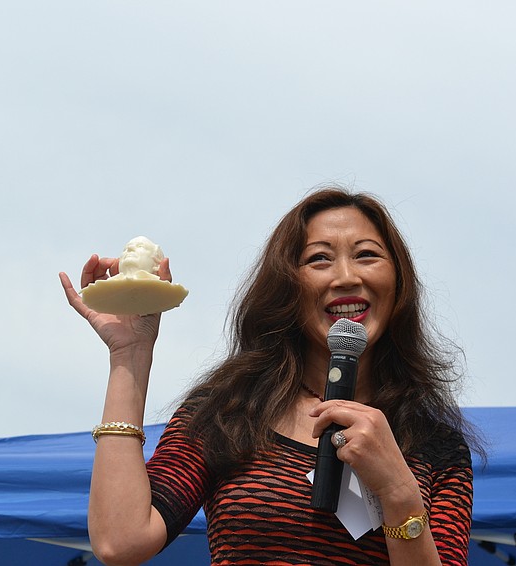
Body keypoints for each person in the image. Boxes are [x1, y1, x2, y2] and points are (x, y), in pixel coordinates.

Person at [59, 186, 476, 566]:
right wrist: (129, 355)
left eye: (366, 255)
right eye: (319, 259)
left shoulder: (436, 447)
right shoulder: (228, 412)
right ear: (288, 285)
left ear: (399, 281)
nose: (347, 277)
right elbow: (120, 542)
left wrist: (398, 491)